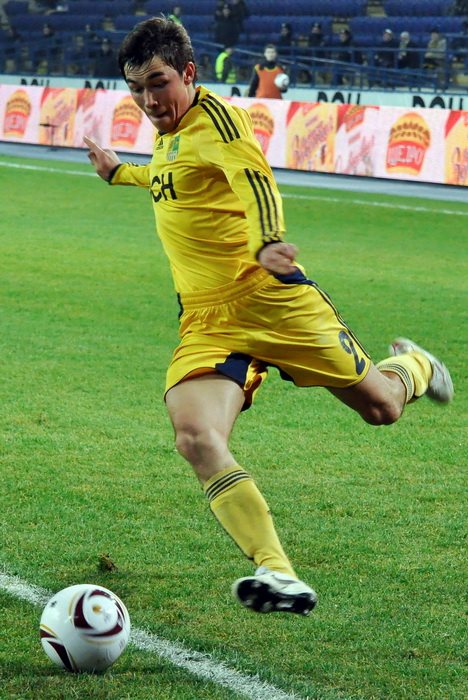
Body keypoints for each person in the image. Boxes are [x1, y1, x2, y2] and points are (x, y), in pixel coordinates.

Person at [84, 17, 454, 616]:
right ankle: (277, 572)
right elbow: (172, 179)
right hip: (207, 320)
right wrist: (120, 173)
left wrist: (267, 241)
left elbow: (255, 180)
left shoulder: (219, 122)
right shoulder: (167, 130)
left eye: (157, 84)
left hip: (273, 300)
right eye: (136, 89)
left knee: (381, 408)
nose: (148, 101)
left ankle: (415, 365)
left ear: (188, 73)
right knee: (196, 436)